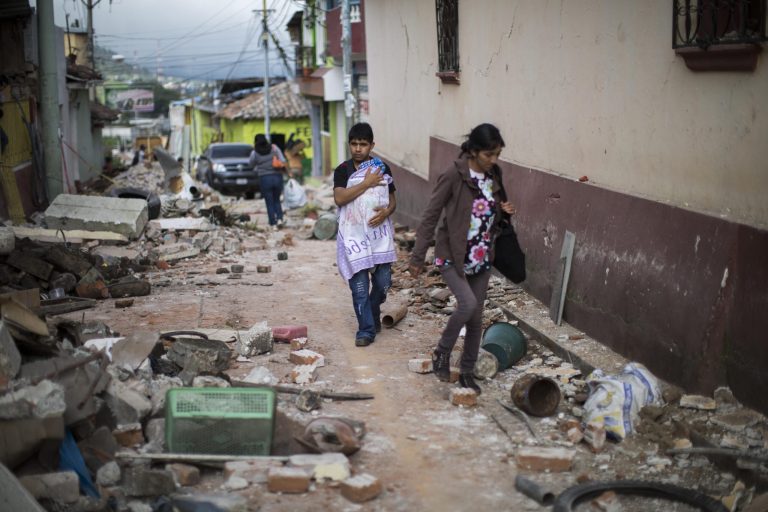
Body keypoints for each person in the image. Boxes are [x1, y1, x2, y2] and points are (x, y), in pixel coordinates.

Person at [408, 123, 516, 394]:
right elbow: (431, 214)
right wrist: (418, 255)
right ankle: (441, 353)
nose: (493, 161)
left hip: (481, 254)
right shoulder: (453, 175)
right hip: (452, 255)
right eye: (488, 155)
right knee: (466, 305)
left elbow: (495, 212)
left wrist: (505, 211)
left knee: (476, 317)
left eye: (497, 155)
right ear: (474, 151)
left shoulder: (494, 175)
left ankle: (467, 372)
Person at [334, 122, 397, 347]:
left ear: (372, 145)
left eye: (363, 144)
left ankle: (372, 312)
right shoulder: (343, 170)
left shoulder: (382, 168)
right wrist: (367, 182)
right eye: (354, 144)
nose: (358, 149)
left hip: (379, 237)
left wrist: (387, 212)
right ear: (349, 145)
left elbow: (392, 200)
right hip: (354, 239)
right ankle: (366, 330)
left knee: (383, 284)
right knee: (359, 288)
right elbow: (340, 198)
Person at [249, 134, 287, 229]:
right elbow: (282, 160)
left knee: (269, 201)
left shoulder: (254, 152)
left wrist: (259, 165)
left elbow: (251, 164)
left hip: (264, 178)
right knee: (277, 200)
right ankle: (279, 219)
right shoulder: (274, 148)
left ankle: (273, 223)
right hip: (277, 177)